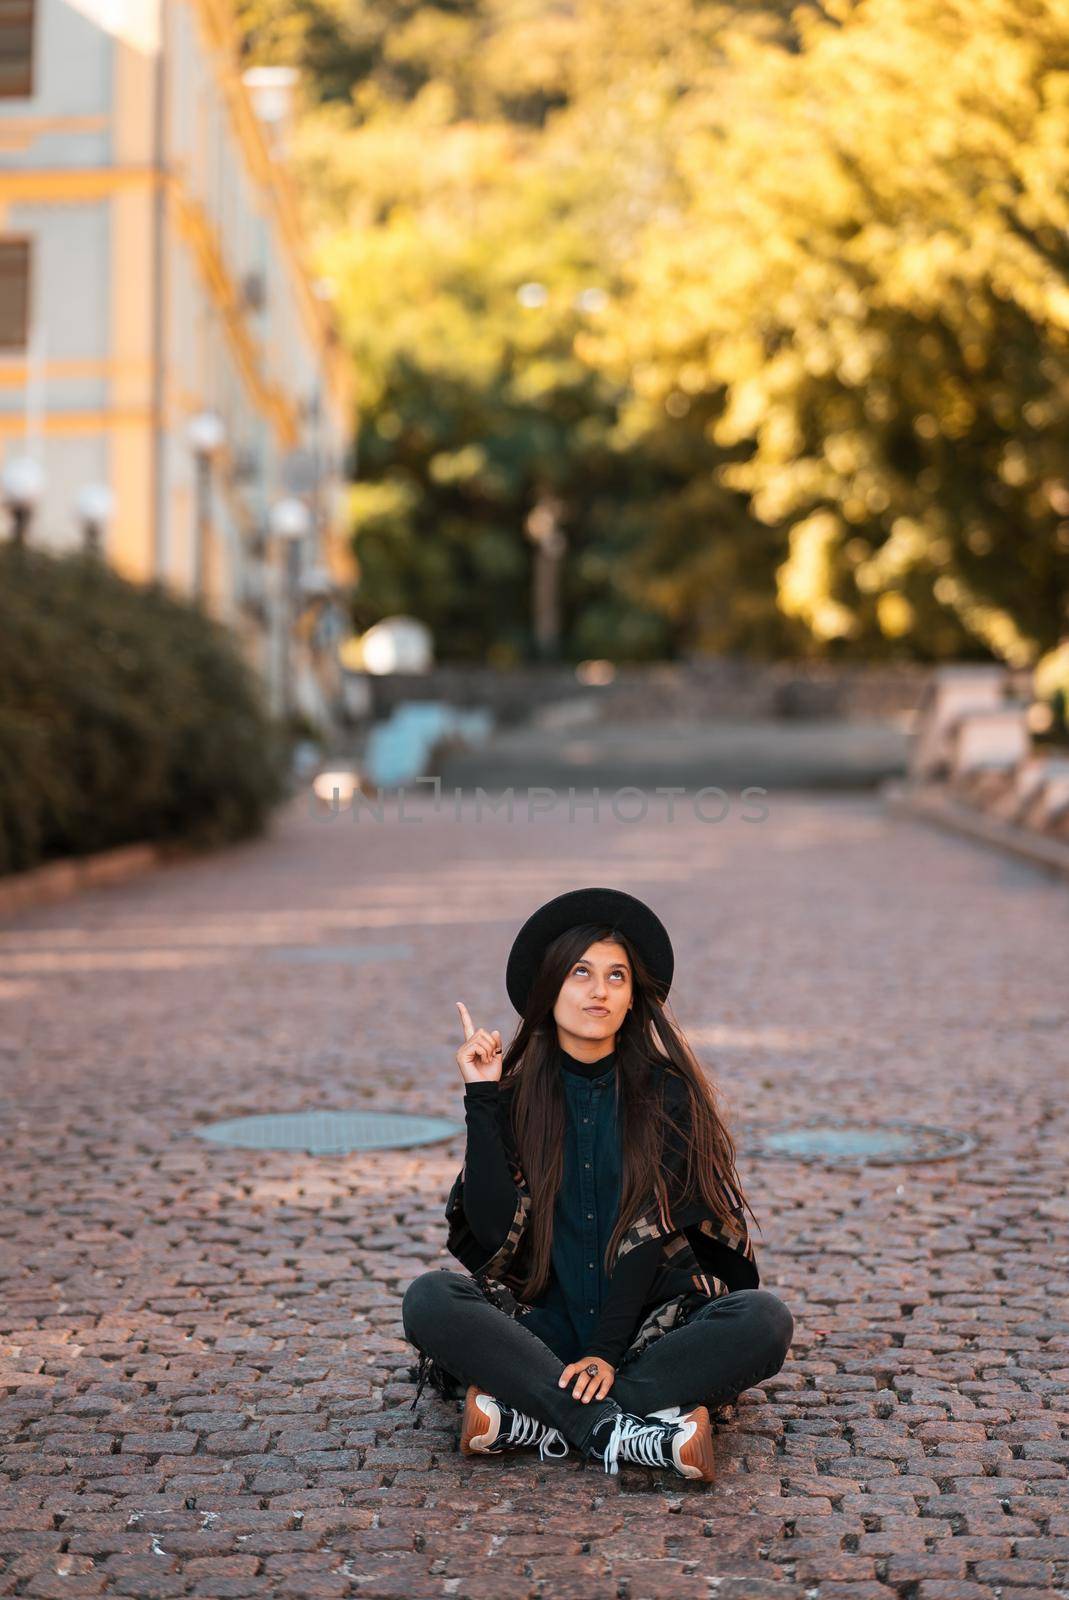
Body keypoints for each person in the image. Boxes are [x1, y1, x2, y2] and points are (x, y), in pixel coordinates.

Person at [402, 886, 795, 1481]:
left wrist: (607, 1353)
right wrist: (482, 1095)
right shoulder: (513, 1095)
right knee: (429, 1298)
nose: (599, 990)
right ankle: (622, 1431)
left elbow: (652, 1235)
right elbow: (487, 1231)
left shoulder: (668, 1095)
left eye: (616, 976)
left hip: (645, 1327)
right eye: (581, 973)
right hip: (541, 1327)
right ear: (550, 986)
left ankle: (530, 1417)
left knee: (764, 1320)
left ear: (633, 996)